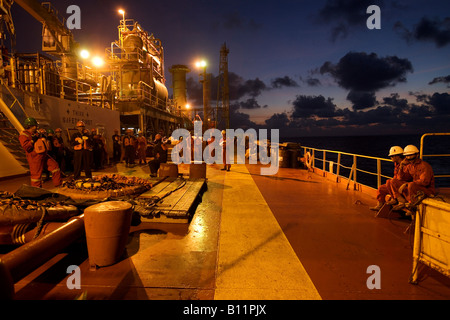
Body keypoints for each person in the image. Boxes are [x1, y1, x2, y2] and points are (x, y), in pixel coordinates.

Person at [18, 117, 62, 188]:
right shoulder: (23, 135)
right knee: (36, 176)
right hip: (34, 157)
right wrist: (32, 141)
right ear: (29, 126)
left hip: (43, 155)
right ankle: (37, 191)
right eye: (34, 125)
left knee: (55, 166)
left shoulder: (36, 133)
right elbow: (26, 147)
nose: (36, 127)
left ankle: (59, 185)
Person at [391, 145, 436, 211]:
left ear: (417, 155)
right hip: (414, 188)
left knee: (411, 185)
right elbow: (401, 178)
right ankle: (402, 201)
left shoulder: (424, 166)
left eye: (411, 155)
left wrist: (406, 184)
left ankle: (412, 206)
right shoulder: (410, 166)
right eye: (407, 156)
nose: (409, 158)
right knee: (393, 181)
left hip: (427, 190)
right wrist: (401, 166)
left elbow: (425, 182)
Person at [370, 146, 412, 211]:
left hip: (402, 185)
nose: (390, 158)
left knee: (391, 181)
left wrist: (401, 168)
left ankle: (396, 199)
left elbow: (403, 178)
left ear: (397, 156)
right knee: (381, 188)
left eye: (392, 156)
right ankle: (380, 205)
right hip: (395, 184)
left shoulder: (406, 164)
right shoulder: (397, 164)